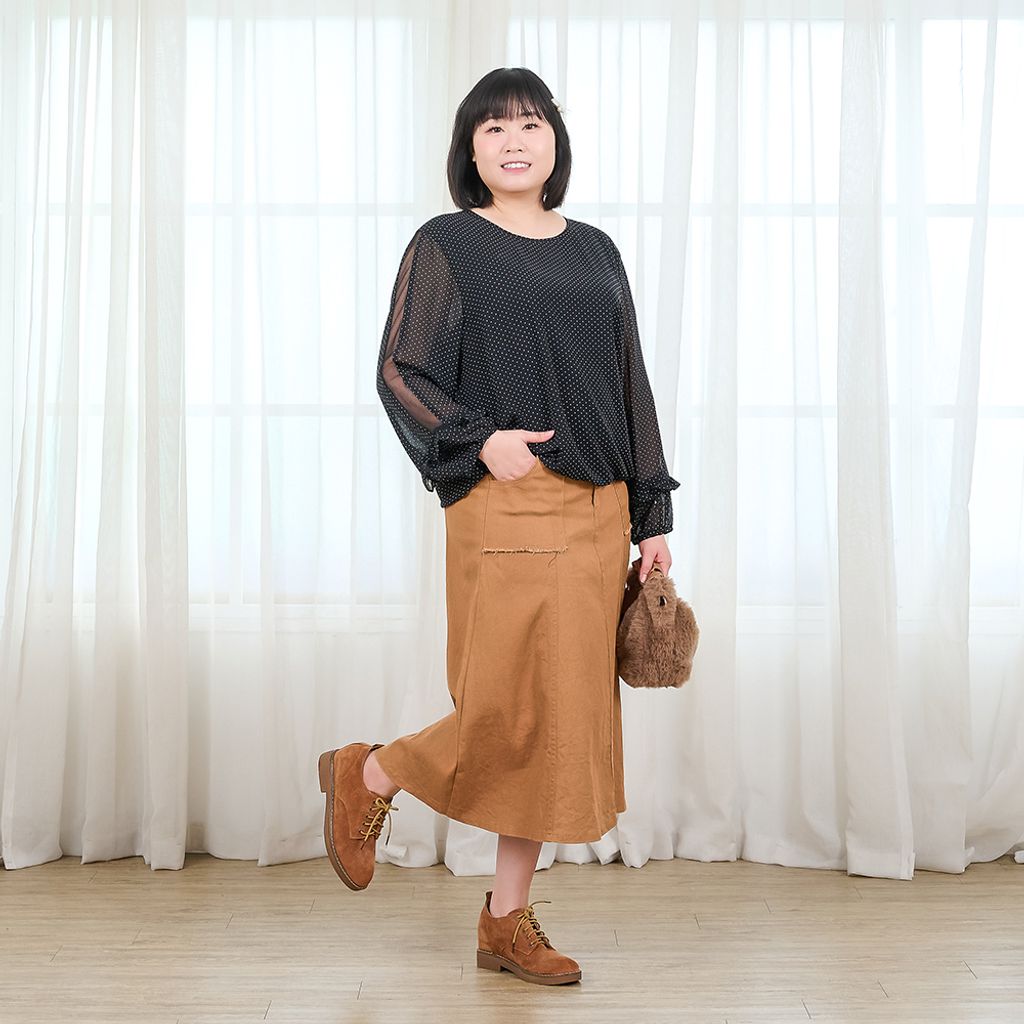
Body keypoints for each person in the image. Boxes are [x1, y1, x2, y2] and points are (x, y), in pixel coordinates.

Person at [318, 66, 680, 986]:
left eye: (529, 124)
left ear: (556, 140)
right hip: (510, 500)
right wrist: (481, 441)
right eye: (492, 128)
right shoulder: (450, 244)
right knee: (510, 711)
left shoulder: (596, 249)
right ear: (469, 151)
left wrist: (651, 513)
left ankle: (503, 921)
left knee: (561, 724)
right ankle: (371, 774)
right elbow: (400, 370)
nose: (514, 140)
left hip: (600, 512)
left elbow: (629, 380)